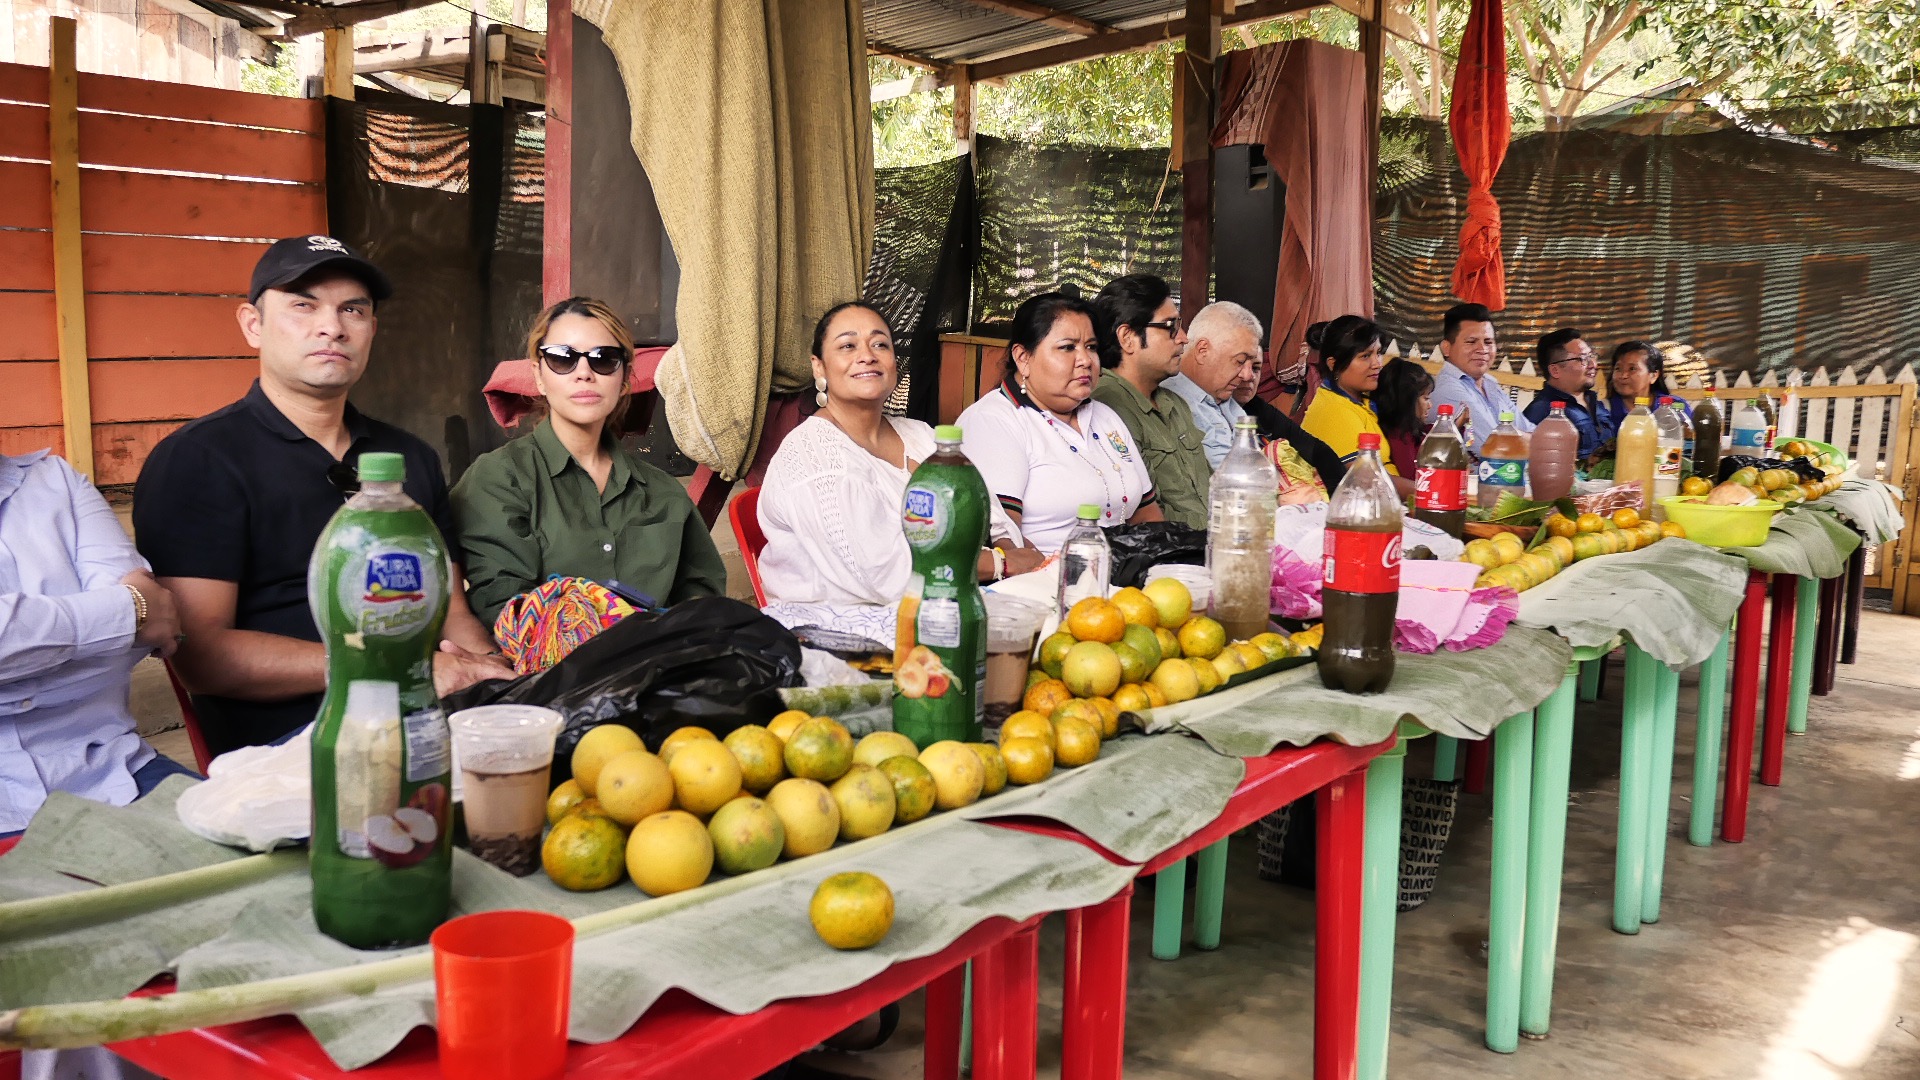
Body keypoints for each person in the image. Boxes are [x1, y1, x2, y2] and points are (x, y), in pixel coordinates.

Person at [134, 236, 511, 758]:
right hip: (295, 739)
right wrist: (392, 671)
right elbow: (203, 657)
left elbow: (450, 612)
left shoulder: (410, 456)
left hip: (431, 713)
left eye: (352, 309)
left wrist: (498, 679)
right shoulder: (199, 460)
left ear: (371, 330)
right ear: (253, 325)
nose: (332, 326)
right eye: (303, 305)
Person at [756, 302, 1041, 641]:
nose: (867, 355)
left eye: (880, 344)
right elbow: (885, 571)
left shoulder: (918, 435)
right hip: (837, 631)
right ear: (819, 367)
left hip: (932, 603)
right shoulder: (816, 458)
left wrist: (1009, 546)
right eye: (848, 346)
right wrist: (1000, 564)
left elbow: (983, 502)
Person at [452, 297, 726, 629]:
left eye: (604, 359)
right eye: (562, 358)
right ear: (539, 376)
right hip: (548, 674)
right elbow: (505, 610)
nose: (584, 373)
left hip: (659, 668)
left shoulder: (663, 492)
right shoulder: (499, 479)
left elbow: (703, 603)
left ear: (624, 378)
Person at [1, 450, 197, 838]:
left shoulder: (55, 480)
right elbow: (136, 617)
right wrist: (122, 616)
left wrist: (21, 650)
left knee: (284, 872)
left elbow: (147, 632)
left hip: (115, 775)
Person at [958, 292, 1162, 555]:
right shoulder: (993, 422)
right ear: (1023, 358)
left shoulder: (1105, 417)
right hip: (1045, 584)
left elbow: (1147, 514)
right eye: (1068, 347)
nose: (1086, 360)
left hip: (1123, 578)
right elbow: (1003, 542)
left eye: (1091, 347)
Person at [1089, 274, 1210, 529]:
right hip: (1173, 553)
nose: (1184, 338)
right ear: (1128, 338)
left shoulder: (1174, 404)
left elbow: (1212, 490)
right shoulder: (1108, 408)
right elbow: (1145, 517)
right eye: (1171, 327)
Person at [1299, 315, 1416, 497]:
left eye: (1378, 353)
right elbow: (1366, 479)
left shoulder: (1363, 400)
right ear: (1334, 364)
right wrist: (1429, 492)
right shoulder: (1333, 411)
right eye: (1365, 356)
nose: (1377, 364)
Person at [1428, 302, 1532, 454]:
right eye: (1471, 342)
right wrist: (1524, 440)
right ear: (1446, 348)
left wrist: (1518, 439)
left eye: (1488, 342)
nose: (1482, 349)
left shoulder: (1490, 384)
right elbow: (1494, 447)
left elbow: (1533, 433)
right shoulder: (1448, 388)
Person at [1235, 350, 1347, 492]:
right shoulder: (1204, 417)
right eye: (1239, 364)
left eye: (1256, 367)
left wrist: (1337, 502)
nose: (1249, 376)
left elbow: (1317, 450)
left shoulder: (1254, 407)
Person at [1523, 328, 1616, 460]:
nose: (1593, 365)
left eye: (1592, 356)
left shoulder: (1596, 404)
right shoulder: (1542, 412)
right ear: (1555, 370)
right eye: (1583, 359)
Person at [1372, 358, 1435, 480]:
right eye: (1426, 398)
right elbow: (1412, 477)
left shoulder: (1411, 431)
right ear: (1408, 401)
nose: (1430, 405)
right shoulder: (1400, 437)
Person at [1606, 340, 1689, 426]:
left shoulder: (1676, 407)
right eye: (1618, 369)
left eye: (1632, 369)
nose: (1623, 375)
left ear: (1653, 376)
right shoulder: (1604, 410)